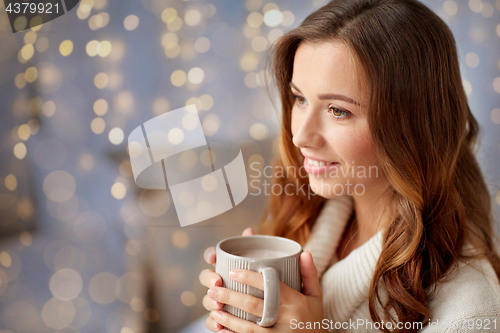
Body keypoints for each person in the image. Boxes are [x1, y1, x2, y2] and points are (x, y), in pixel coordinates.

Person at [195, 0, 500, 332]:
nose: (300, 137)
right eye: (300, 99)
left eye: (337, 110)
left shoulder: (470, 313)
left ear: (412, 127)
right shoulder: (312, 216)